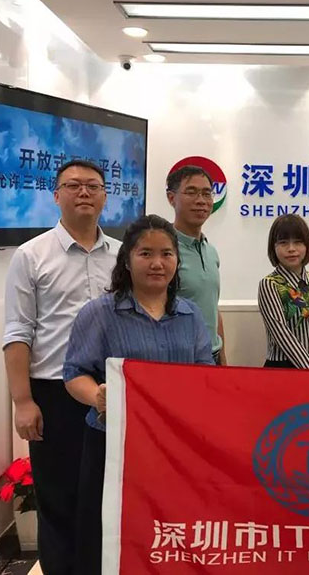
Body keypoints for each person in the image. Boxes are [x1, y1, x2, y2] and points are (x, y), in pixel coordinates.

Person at [63, 215, 214, 574]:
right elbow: (74, 373)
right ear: (127, 260)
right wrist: (97, 396)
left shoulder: (191, 316)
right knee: (108, 536)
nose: (157, 263)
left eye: (166, 254)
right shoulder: (99, 313)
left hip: (175, 449)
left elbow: (205, 375)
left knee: (167, 533)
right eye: (146, 253)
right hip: (113, 445)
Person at [2, 159, 119, 574]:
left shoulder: (122, 256)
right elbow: (18, 331)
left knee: (106, 499)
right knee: (57, 499)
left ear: (105, 196)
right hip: (53, 393)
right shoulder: (31, 255)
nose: (84, 192)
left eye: (93, 185)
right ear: (56, 195)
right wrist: (23, 401)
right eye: (73, 185)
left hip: (111, 394)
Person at [257, 214, 309, 369]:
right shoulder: (269, 284)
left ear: (307, 245)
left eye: (298, 242)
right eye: (283, 243)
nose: (291, 249)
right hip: (284, 368)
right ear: (273, 247)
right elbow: (282, 335)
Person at [166, 164, 227, 365]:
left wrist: (223, 360)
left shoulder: (211, 252)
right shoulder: (163, 252)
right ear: (171, 198)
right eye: (191, 192)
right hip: (180, 361)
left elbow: (213, 308)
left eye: (206, 194)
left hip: (212, 358)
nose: (201, 201)